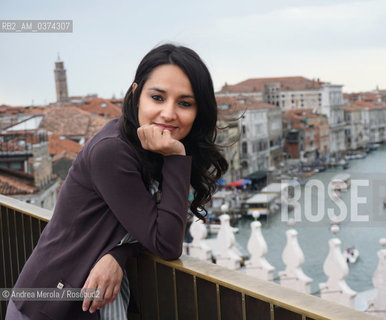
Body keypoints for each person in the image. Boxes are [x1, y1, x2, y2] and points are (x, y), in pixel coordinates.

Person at [6, 43, 228, 319]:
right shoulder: (112, 151)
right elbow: (167, 244)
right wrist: (176, 158)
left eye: (184, 103)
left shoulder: (148, 146)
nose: (169, 113)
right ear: (136, 95)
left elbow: (152, 227)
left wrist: (118, 255)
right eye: (158, 97)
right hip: (47, 308)